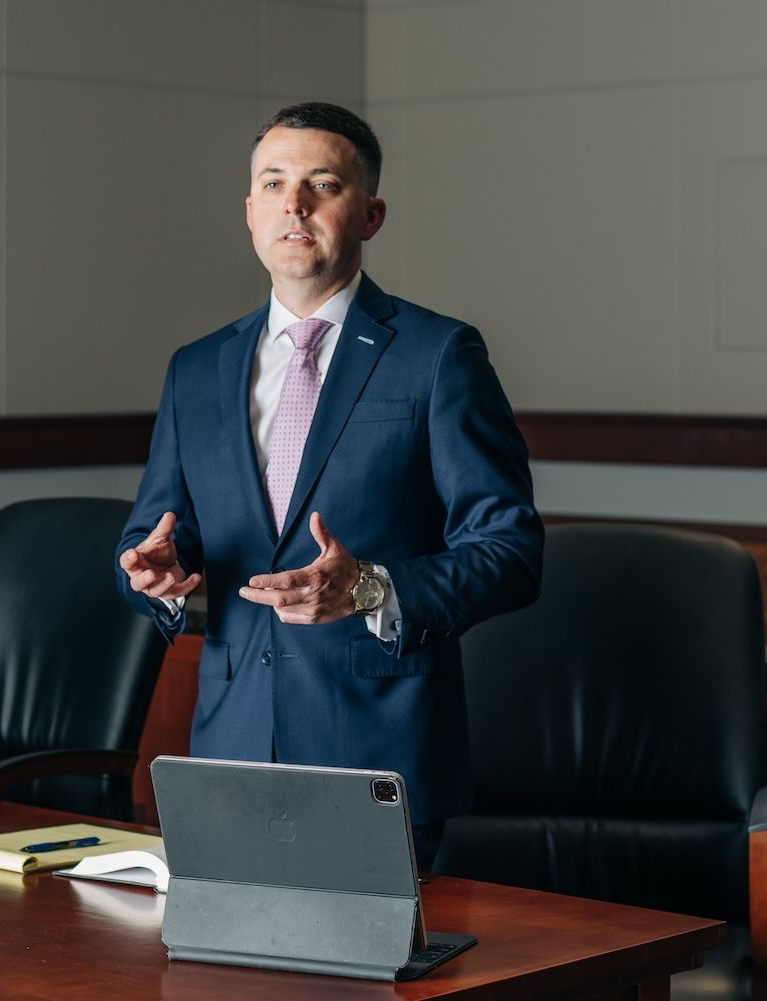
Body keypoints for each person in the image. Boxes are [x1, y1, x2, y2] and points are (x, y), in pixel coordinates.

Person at [116, 102, 542, 868]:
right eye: (273, 183)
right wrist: (158, 575)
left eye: (322, 184)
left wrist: (373, 588)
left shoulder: (439, 355)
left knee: (368, 992)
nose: (295, 203)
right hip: (230, 754)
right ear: (250, 213)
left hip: (379, 755)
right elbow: (158, 533)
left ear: (370, 213)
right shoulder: (197, 368)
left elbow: (512, 550)